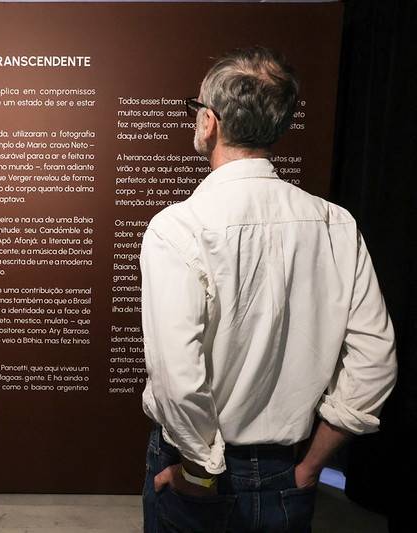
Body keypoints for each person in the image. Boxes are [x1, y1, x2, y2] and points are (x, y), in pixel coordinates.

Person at [139, 46, 397, 532]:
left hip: (200, 467)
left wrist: (197, 471)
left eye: (196, 108)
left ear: (209, 122)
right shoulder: (335, 225)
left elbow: (178, 375)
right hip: (288, 468)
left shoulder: (178, 228)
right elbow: (375, 361)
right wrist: (311, 467)